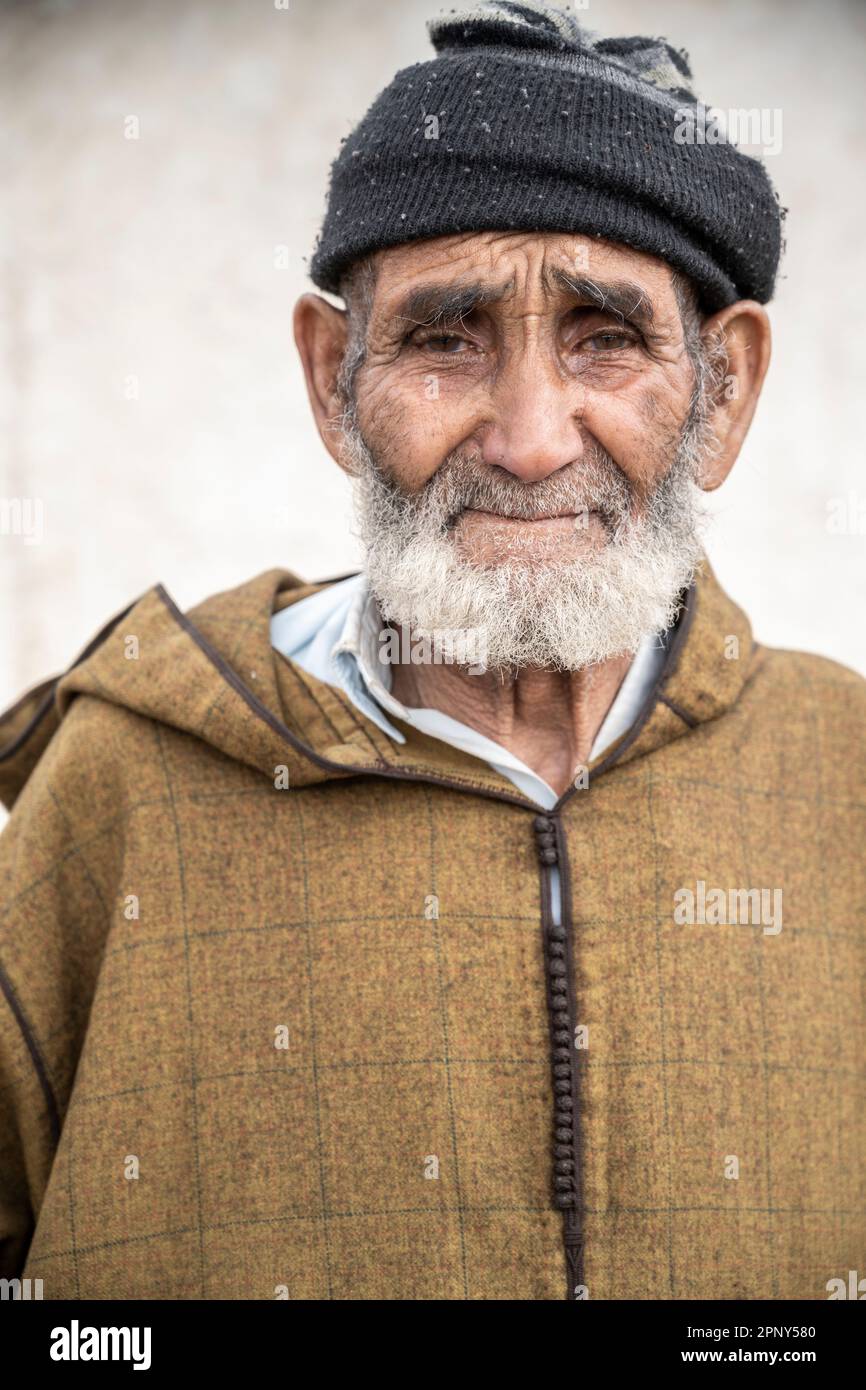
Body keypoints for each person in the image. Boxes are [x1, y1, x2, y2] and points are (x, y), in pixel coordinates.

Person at [1, 0, 863, 1301]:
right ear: (333, 376)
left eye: (605, 339)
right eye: (445, 339)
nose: (526, 439)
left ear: (722, 390)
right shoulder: (117, 790)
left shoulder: (840, 776)